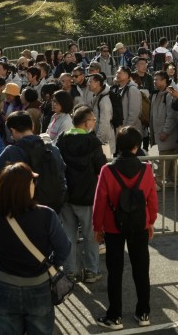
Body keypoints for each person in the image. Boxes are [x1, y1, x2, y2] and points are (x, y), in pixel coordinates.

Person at [0, 162, 70, 335]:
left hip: (5, 286)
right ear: (25, 188)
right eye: (32, 182)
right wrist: (52, 264)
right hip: (38, 284)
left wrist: (6, 181)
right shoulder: (46, 215)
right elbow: (64, 247)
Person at [92, 126, 158, 330]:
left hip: (113, 225)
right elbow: (152, 200)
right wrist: (151, 221)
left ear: (117, 145)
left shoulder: (107, 170)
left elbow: (100, 201)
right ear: (137, 147)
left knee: (115, 270)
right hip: (139, 224)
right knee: (141, 269)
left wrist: (97, 227)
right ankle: (143, 312)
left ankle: (115, 315)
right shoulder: (146, 169)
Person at [55, 106, 106, 284]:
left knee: (68, 235)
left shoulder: (62, 138)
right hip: (88, 195)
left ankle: (70, 272)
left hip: (67, 194)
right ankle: (91, 270)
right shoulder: (93, 142)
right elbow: (102, 167)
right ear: (86, 122)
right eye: (93, 120)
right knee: (91, 235)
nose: (94, 122)